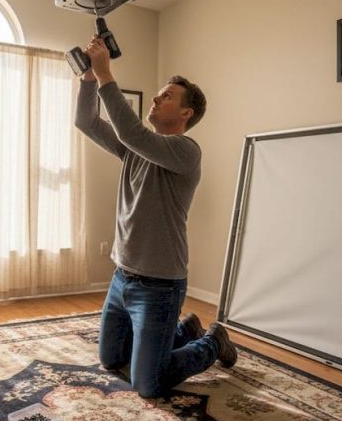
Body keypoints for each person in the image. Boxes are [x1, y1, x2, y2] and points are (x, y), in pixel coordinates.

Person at [74, 35, 237, 398]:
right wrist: (88, 78)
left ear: (185, 114)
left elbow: (132, 133)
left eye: (168, 96)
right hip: (122, 279)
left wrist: (105, 75)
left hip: (160, 287)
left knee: (146, 383)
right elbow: (86, 121)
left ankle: (212, 341)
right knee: (110, 359)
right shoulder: (136, 147)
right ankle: (184, 330)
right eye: (159, 93)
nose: (158, 98)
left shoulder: (186, 151)